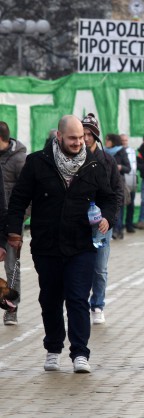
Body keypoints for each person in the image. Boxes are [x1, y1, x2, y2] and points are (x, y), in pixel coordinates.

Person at [6, 115, 117, 373]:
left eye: (82, 138)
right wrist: (14, 231)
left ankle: (80, 353)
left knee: (78, 299)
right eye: (73, 138)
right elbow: (18, 200)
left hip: (82, 246)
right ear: (59, 136)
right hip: (47, 245)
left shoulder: (94, 165)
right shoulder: (37, 163)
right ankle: (53, 348)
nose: (79, 142)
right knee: (50, 299)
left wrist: (108, 219)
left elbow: (110, 198)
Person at [82, 113, 123, 325]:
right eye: (83, 133)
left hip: (101, 225)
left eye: (89, 134)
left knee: (99, 268)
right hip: (78, 224)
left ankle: (97, 305)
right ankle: (78, 305)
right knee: (78, 267)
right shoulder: (73, 158)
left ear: (96, 136)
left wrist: (109, 217)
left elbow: (117, 192)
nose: (85, 138)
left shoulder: (107, 160)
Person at [0, 121, 27, 325]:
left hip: (11, 224)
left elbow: (29, 195)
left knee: (12, 268)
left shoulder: (20, 160)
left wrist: (17, 222)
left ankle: (11, 310)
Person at [104, 133, 131, 240]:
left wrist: (120, 167)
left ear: (113, 141)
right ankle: (115, 230)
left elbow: (128, 168)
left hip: (119, 182)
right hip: (107, 183)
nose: (106, 142)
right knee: (111, 207)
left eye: (108, 140)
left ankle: (118, 230)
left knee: (119, 207)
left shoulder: (121, 151)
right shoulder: (104, 151)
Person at [121, 133, 137, 233]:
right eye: (122, 141)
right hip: (122, 182)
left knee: (131, 205)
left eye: (125, 141)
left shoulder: (132, 151)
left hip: (132, 181)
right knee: (121, 205)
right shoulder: (118, 151)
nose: (124, 143)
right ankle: (120, 226)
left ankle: (129, 225)